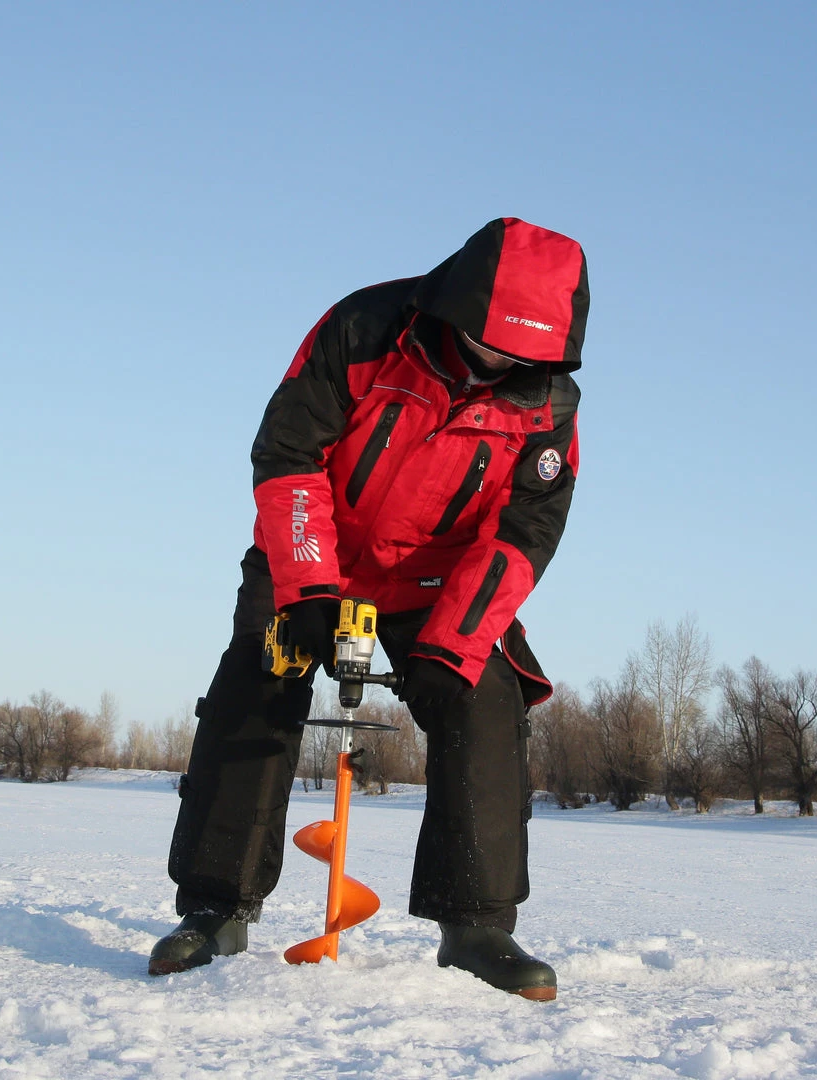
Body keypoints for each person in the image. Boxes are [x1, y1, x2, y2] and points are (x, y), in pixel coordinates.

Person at [149, 217, 589, 1001]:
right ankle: (216, 907)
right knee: (258, 678)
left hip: (437, 580)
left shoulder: (547, 405)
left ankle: (478, 924)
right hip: (316, 546)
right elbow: (288, 453)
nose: (503, 365)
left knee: (484, 699)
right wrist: (311, 587)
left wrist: (450, 649)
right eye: (492, 345)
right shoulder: (365, 329)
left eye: (523, 355)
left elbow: (522, 535)